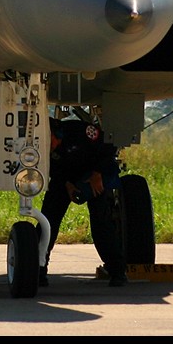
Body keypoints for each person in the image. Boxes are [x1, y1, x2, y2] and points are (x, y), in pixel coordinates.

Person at [39, 116, 127, 287]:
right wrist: (67, 184)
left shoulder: (82, 132)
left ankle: (117, 272)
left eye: (49, 141)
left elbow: (108, 147)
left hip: (93, 176)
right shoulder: (40, 146)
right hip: (64, 179)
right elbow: (50, 168)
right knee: (47, 222)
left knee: (102, 224)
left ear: (55, 134)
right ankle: (38, 268)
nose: (49, 147)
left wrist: (97, 173)